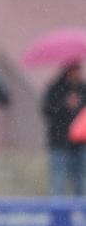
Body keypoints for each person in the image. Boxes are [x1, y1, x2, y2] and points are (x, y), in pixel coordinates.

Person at [41, 64, 86, 196]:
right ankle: (58, 215)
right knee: (58, 181)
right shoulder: (55, 89)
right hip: (59, 142)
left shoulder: (82, 89)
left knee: (80, 181)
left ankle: (82, 213)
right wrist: (64, 105)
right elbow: (47, 110)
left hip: (79, 144)